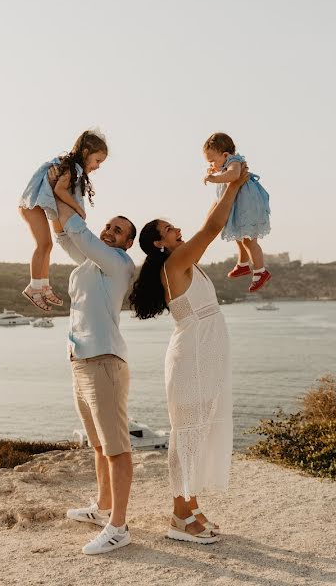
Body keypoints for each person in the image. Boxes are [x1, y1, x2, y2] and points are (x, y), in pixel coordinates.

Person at [127, 167, 250, 544]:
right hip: (191, 356)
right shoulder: (174, 264)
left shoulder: (184, 263)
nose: (177, 230)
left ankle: (190, 505)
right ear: (160, 244)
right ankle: (180, 517)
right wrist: (232, 185)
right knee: (188, 434)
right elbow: (212, 229)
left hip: (202, 353)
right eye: (169, 229)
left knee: (198, 430)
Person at [49, 190, 137, 555]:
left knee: (116, 448)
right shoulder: (87, 265)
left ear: (128, 244)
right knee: (99, 445)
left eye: (118, 230)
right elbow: (63, 233)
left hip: (104, 362)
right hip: (81, 363)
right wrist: (51, 199)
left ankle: (119, 526)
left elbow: (78, 232)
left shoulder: (118, 263)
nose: (109, 232)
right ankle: (102, 509)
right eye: (108, 226)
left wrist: (61, 191)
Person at [18, 130, 108, 311]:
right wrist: (77, 208)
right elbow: (60, 190)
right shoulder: (72, 168)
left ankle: (43, 286)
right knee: (43, 245)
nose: (98, 166)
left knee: (47, 246)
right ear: (85, 153)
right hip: (31, 206)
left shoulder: (74, 169)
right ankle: (34, 287)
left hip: (35, 207)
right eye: (97, 160)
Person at [202, 132, 272, 292]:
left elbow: (233, 175)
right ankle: (243, 264)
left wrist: (215, 178)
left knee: (248, 240)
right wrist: (216, 169)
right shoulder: (226, 165)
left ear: (225, 154)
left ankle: (261, 271)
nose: (212, 164)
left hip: (247, 208)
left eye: (213, 160)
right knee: (239, 237)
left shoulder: (234, 162)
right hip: (239, 208)